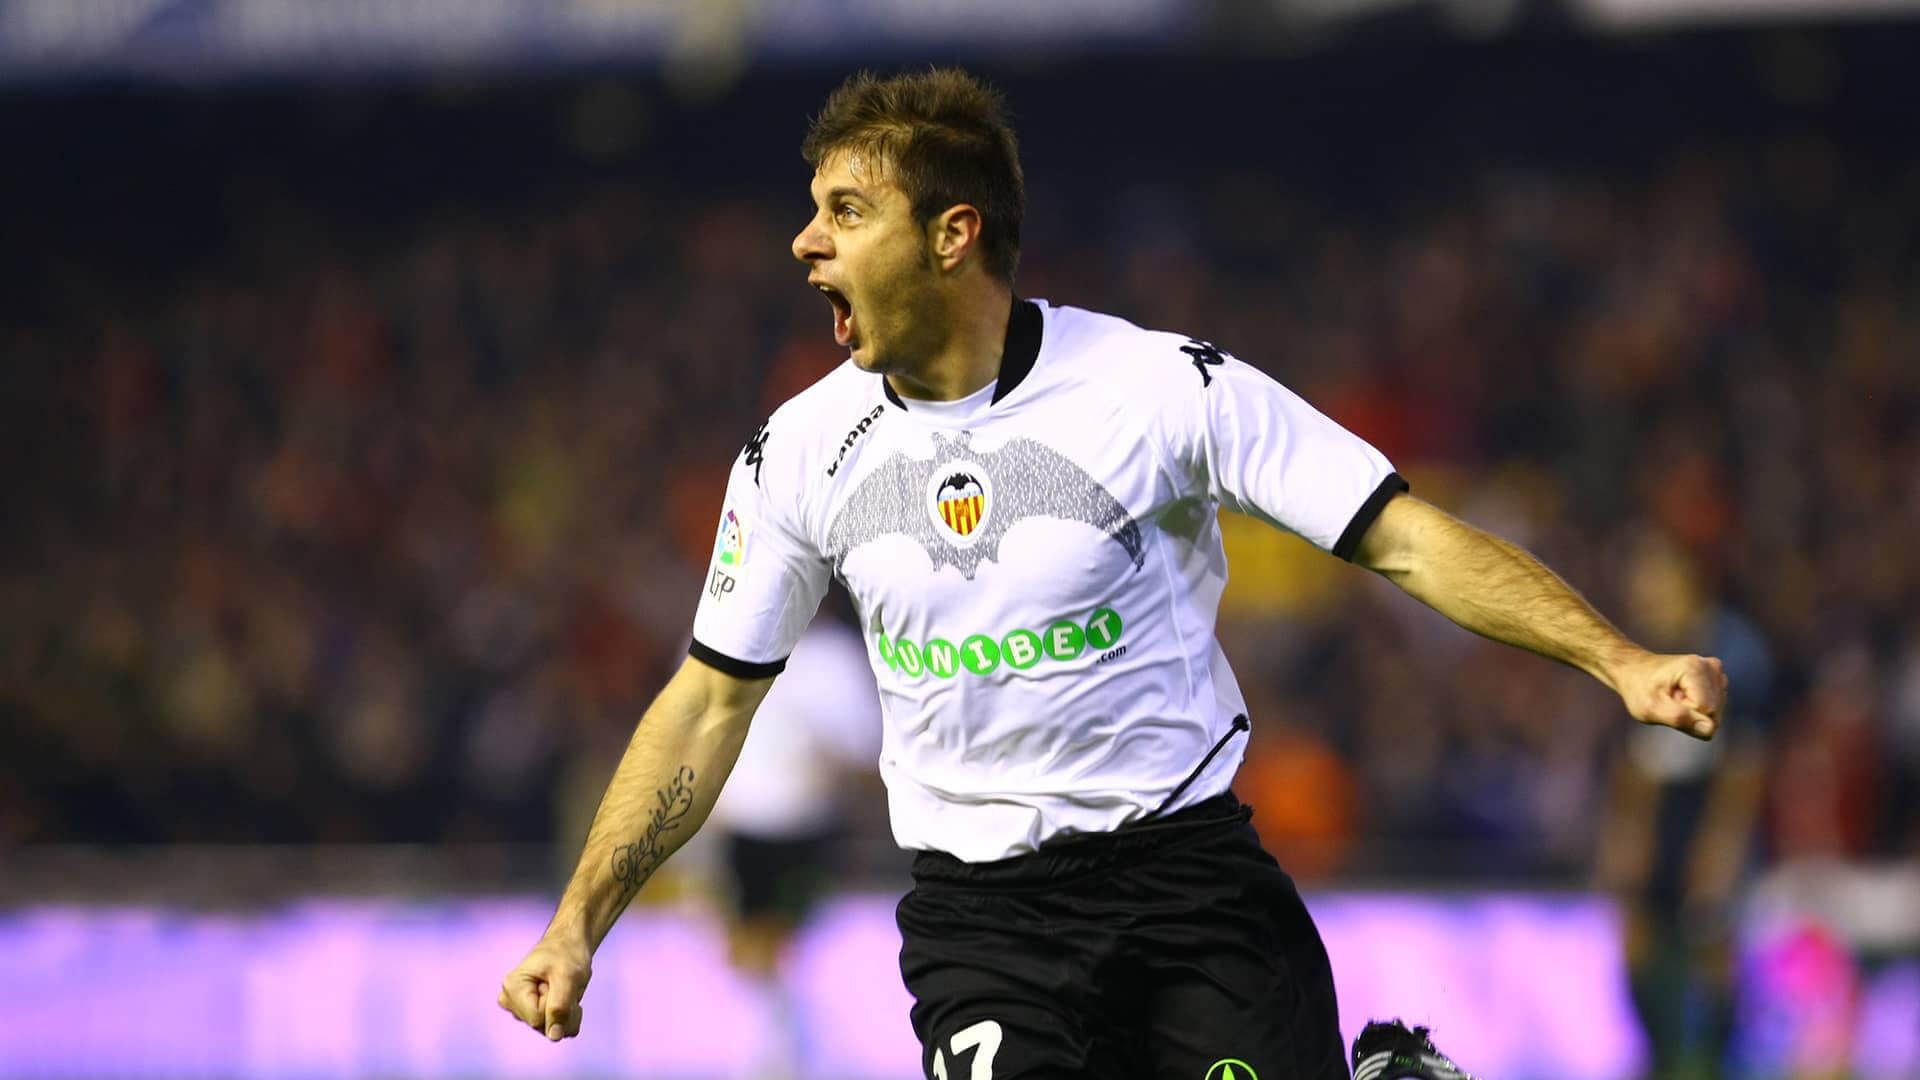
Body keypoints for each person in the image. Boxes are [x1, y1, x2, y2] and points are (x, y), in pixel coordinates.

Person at [498, 68, 1727, 1080]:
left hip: (1188, 885)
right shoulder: (797, 455)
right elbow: (710, 701)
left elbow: (1397, 533)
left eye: (845, 211)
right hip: (984, 925)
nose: (807, 241)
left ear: (952, 234)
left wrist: (1618, 659)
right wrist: (579, 922)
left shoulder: (1159, 390)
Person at [705, 610, 882, 1080]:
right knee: (746, 945)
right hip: (742, 824)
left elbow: (865, 746)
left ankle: (793, 1046)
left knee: (795, 943)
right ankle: (769, 1042)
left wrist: (831, 761)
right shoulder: (717, 636)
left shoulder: (833, 658)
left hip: (808, 824)